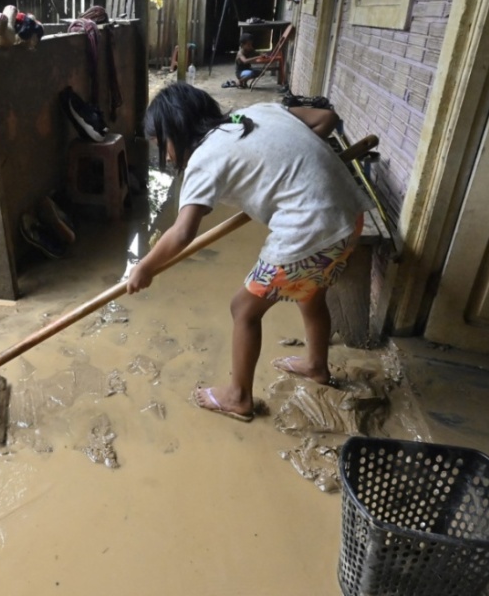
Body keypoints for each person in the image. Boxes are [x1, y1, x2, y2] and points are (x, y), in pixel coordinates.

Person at [126, 84, 372, 421]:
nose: (167, 156)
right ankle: (316, 365)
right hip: (350, 217)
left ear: (178, 129)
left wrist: (146, 267)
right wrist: (291, 168)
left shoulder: (203, 159)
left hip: (310, 229)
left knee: (243, 308)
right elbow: (326, 119)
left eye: (162, 144)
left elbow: (182, 232)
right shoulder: (256, 112)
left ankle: (238, 396)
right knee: (310, 293)